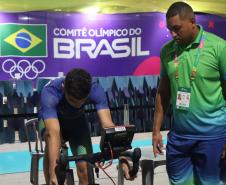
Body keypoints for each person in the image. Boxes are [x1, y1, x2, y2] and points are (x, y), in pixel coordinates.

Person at [152, 1, 226, 185]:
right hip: (179, 139)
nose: (173, 34)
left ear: (192, 21)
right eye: (170, 29)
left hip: (212, 137)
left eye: (177, 28)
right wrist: (156, 130)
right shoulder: (167, 51)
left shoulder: (219, 48)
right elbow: (163, 91)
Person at [39, 68, 135, 185]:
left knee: (84, 169)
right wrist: (53, 174)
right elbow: (53, 134)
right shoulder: (50, 93)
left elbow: (108, 126)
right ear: (64, 88)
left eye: (81, 102)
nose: (77, 105)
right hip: (52, 123)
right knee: (57, 170)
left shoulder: (95, 89)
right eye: (72, 100)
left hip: (77, 123)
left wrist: (122, 158)